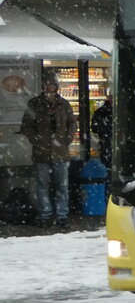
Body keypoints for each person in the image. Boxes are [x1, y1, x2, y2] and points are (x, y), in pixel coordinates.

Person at [18, 76, 76, 228]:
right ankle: (46, 215)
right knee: (42, 186)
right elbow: (26, 125)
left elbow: (72, 123)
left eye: (52, 85)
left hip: (60, 152)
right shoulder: (35, 103)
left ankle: (62, 216)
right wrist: (36, 139)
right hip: (41, 152)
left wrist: (67, 138)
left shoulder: (63, 104)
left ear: (56, 87)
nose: (49, 87)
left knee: (61, 187)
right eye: (47, 85)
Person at [90, 94, 113, 169]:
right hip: (107, 143)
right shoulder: (101, 112)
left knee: (106, 165)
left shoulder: (99, 112)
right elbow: (94, 128)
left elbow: (94, 128)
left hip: (105, 143)